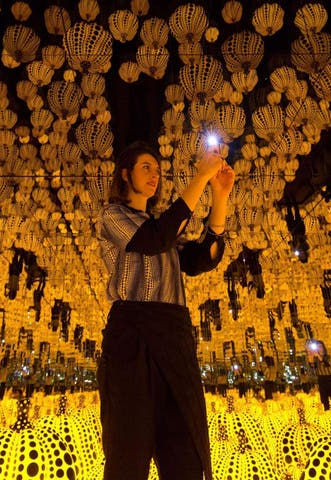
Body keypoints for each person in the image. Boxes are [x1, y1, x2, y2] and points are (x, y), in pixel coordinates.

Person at [97, 140, 234, 480]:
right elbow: (152, 240)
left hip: (174, 336)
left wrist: (220, 195)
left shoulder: (164, 228)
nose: (154, 174)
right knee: (128, 450)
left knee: (186, 450)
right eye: (146, 166)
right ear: (125, 174)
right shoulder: (114, 216)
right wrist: (200, 177)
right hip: (132, 336)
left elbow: (205, 258)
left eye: (158, 169)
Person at [307, 340, 331, 410]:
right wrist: (310, 356)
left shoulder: (329, 357)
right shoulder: (316, 359)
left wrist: (318, 355)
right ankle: (327, 414)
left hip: (329, 378)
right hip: (321, 379)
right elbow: (312, 367)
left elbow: (327, 364)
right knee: (324, 399)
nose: (318, 348)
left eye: (320, 346)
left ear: (323, 347)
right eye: (317, 347)